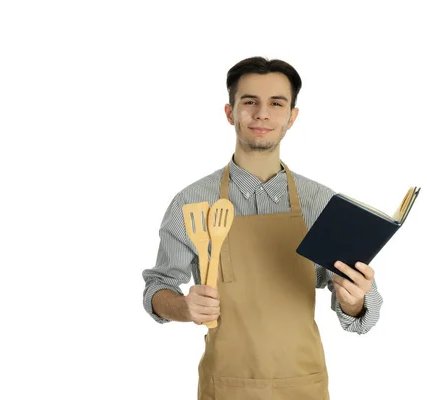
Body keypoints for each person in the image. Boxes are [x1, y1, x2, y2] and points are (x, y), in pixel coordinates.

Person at [141, 56, 383, 399]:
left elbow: (361, 317)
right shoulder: (191, 202)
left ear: (291, 117)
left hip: (304, 386)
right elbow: (158, 287)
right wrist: (183, 307)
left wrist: (355, 299)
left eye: (276, 103)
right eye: (249, 102)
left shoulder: (322, 203)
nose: (262, 114)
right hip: (224, 387)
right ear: (230, 112)